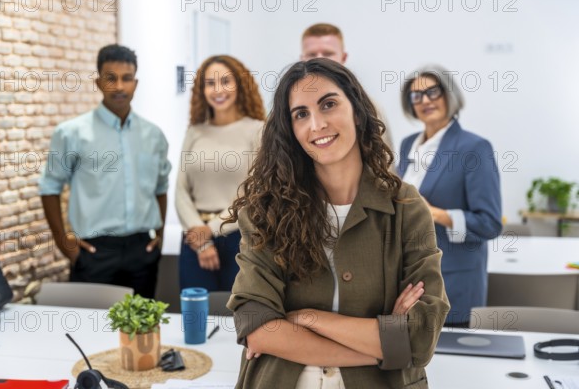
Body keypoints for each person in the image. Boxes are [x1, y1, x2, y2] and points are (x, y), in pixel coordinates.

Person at [225, 58, 450, 388]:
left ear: (357, 111)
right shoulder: (266, 211)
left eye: (328, 104)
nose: (316, 124)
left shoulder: (406, 206)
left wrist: (308, 319)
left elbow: (420, 335)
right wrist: (385, 347)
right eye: (301, 114)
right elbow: (257, 327)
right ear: (291, 130)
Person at [39, 44, 171, 298]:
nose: (119, 86)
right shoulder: (72, 133)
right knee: (91, 333)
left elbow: (161, 188)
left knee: (141, 331)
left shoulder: (153, 135)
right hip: (93, 253)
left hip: (142, 251)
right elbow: (49, 188)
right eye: (111, 78)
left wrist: (161, 235)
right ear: (98, 82)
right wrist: (66, 244)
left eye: (126, 78)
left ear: (136, 83)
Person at [397, 65, 502, 327]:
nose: (425, 101)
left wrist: (434, 213)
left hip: (453, 279)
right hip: (409, 277)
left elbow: (489, 223)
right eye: (416, 96)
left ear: (449, 95)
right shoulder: (408, 144)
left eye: (433, 92)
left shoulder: (474, 148)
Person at [175, 55, 265, 292]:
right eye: (210, 83)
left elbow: (255, 192)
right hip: (194, 240)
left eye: (225, 81)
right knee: (196, 318)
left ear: (240, 84)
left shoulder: (257, 131)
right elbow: (181, 190)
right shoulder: (194, 132)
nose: (218, 90)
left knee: (238, 320)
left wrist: (212, 229)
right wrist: (200, 238)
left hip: (240, 237)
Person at [300, 23, 393, 150]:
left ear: (343, 58)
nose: (319, 60)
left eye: (328, 53)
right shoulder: (286, 109)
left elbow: (384, 161)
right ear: (301, 59)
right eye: (312, 54)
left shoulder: (371, 108)